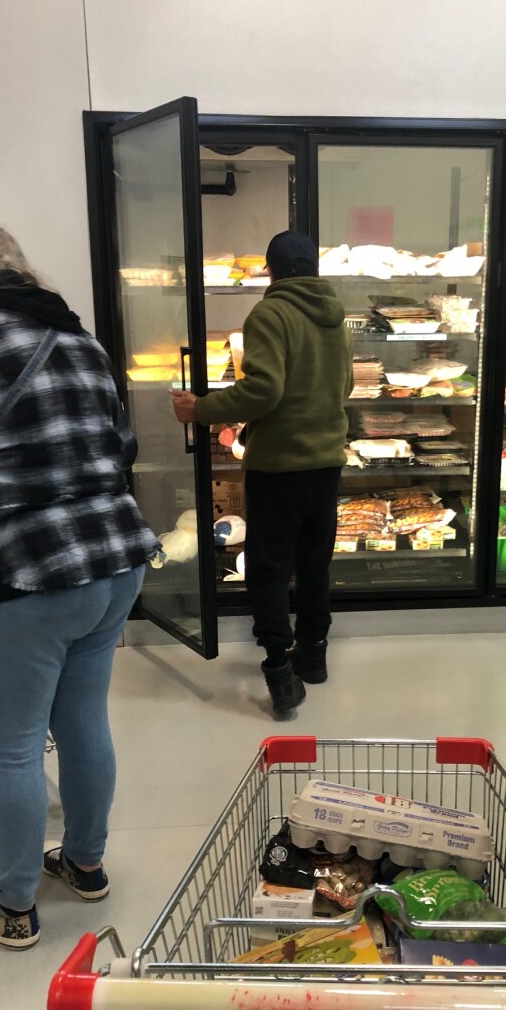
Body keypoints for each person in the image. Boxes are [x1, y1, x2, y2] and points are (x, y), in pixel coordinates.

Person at [0, 218, 158, 949]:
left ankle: (12, 906)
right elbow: (121, 448)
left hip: (16, 576)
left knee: (12, 747)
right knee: (83, 720)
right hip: (112, 565)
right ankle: (85, 862)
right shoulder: (80, 342)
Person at [172, 231, 353, 720]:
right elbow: (347, 384)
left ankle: (280, 675)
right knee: (315, 564)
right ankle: (312, 657)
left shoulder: (269, 314)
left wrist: (202, 409)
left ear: (270, 271)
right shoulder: (337, 317)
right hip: (327, 463)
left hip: (279, 468)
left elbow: (264, 390)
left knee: (271, 570)